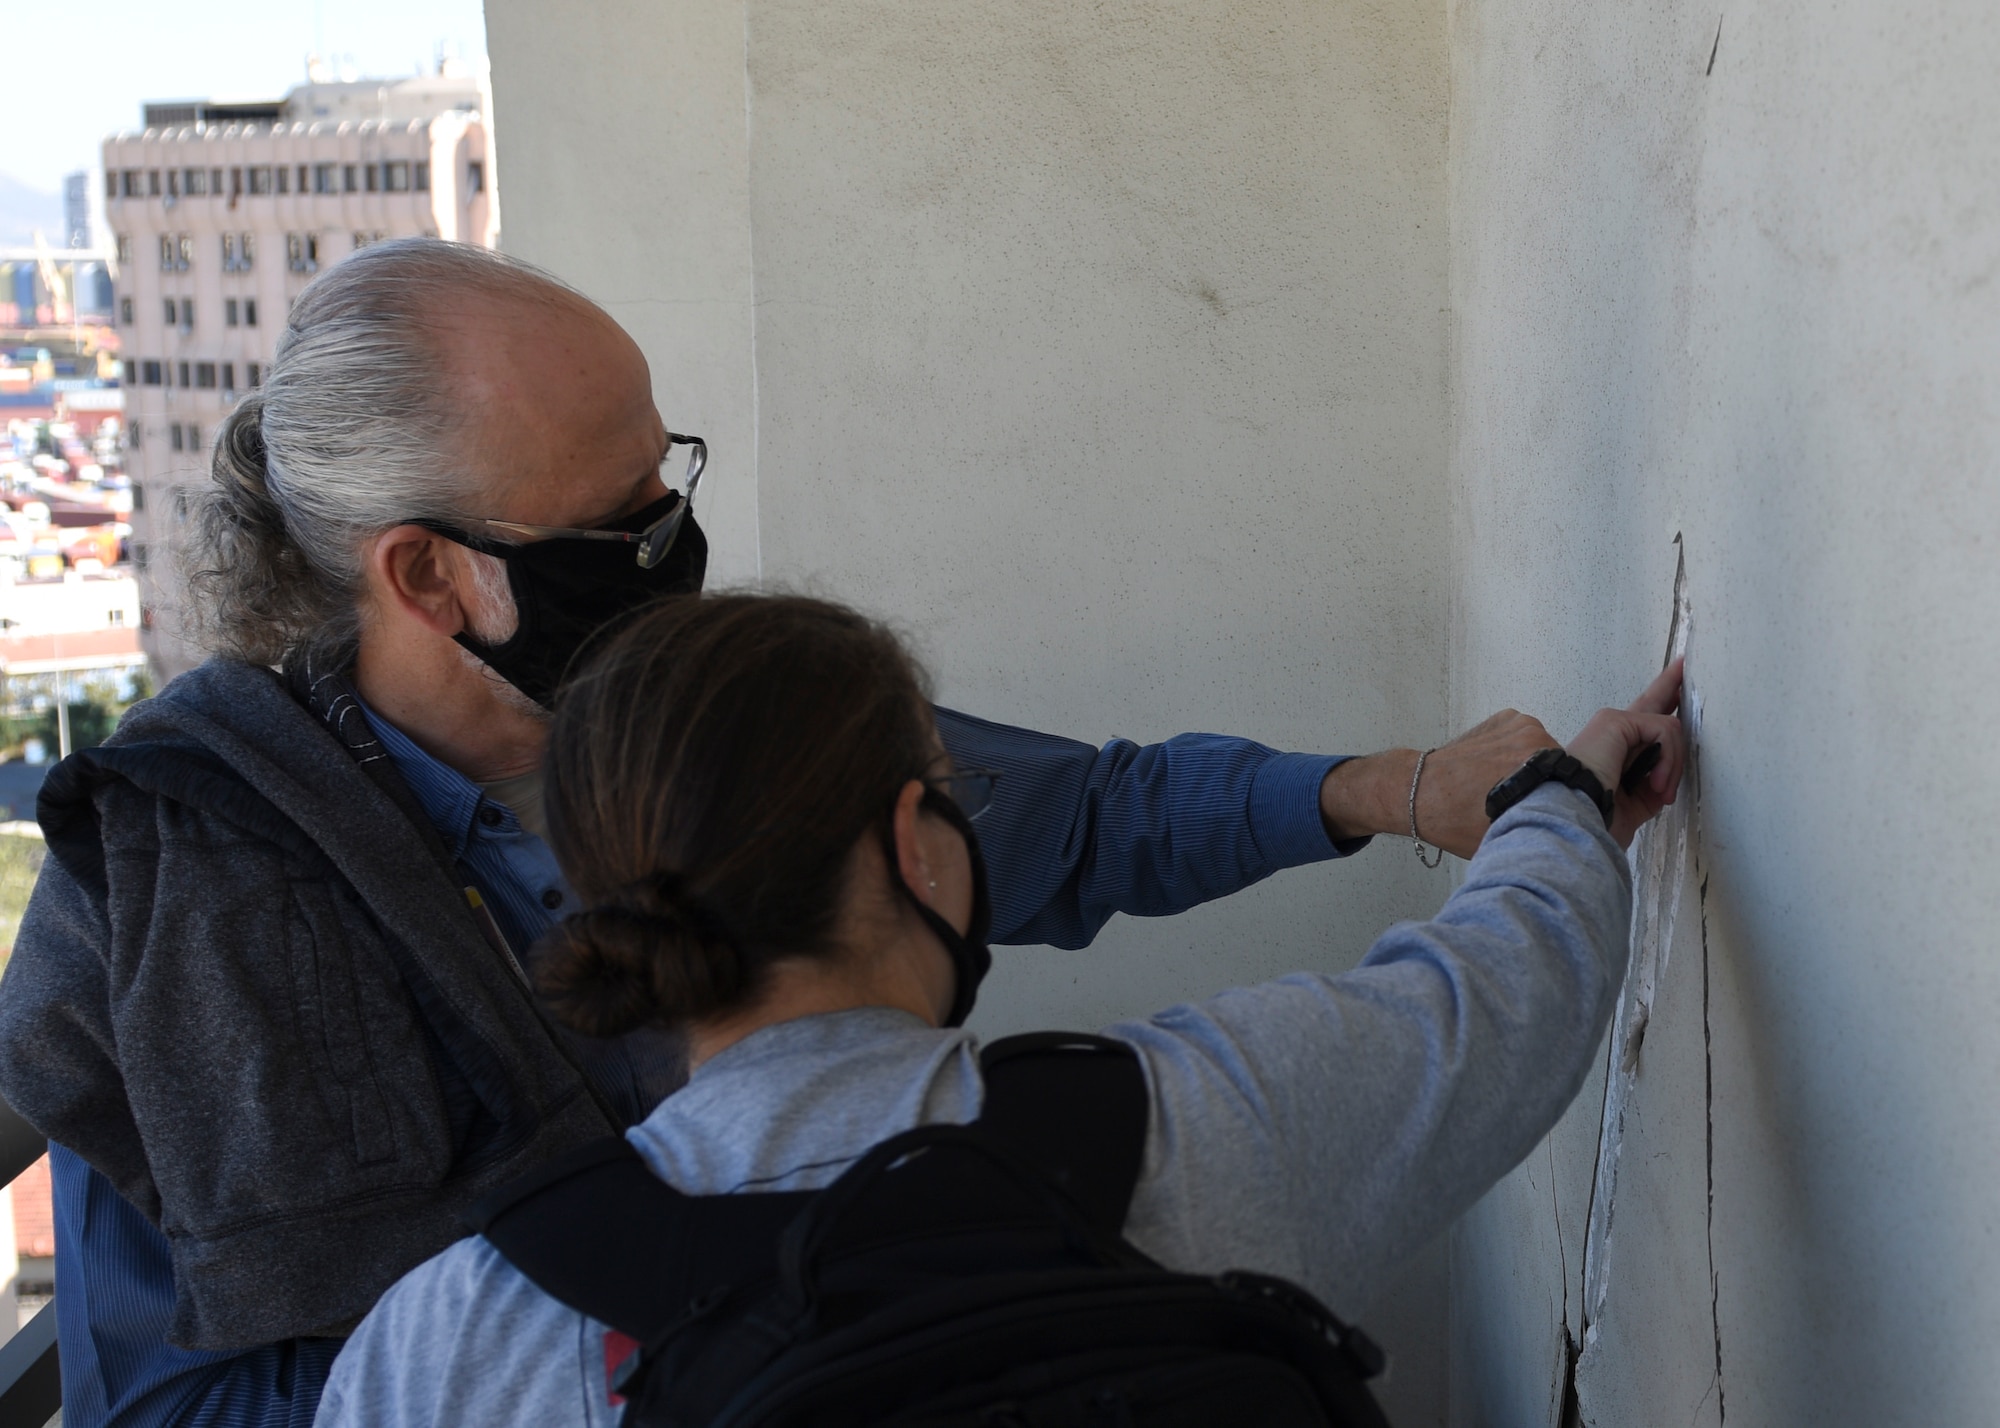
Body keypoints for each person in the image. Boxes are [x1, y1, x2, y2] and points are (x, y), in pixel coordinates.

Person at [0, 238, 1560, 1428]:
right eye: (620, 524)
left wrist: (1381, 789)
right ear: (428, 579)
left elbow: (1053, 812)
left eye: (669, 477)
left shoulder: (682, 705)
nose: (673, 547)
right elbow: (164, 1398)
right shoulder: (175, 880)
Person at [313, 593, 1684, 1427]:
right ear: (917, 846)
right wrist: (1563, 798)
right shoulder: (1192, 1131)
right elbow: (1513, 990)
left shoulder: (446, 1339)